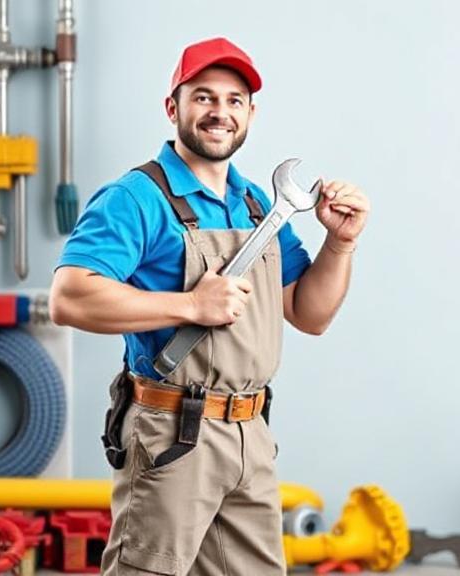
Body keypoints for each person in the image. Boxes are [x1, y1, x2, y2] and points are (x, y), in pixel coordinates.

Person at [49, 37, 369, 575]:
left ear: (250, 113)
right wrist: (190, 306)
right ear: (173, 108)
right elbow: (70, 296)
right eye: (203, 97)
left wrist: (340, 244)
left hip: (250, 432)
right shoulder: (137, 197)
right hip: (173, 433)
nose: (220, 111)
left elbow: (309, 314)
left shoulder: (255, 204)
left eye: (234, 99)